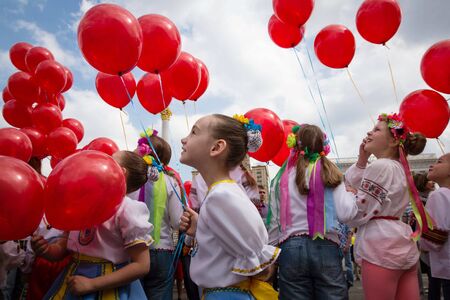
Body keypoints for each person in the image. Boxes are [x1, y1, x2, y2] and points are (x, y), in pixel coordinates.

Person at [179, 114, 280, 299]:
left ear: (217, 147)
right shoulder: (222, 192)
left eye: (194, 132)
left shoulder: (221, 196)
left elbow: (253, 252)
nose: (183, 139)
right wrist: (200, 226)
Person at [31, 150, 153, 299]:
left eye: (109, 160)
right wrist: (47, 250)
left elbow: (142, 265)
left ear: (121, 172)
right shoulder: (83, 203)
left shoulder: (128, 209)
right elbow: (62, 248)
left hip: (107, 289)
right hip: (73, 281)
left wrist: (92, 284)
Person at [344, 113, 431, 300]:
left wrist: (348, 197)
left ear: (393, 142)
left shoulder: (381, 166)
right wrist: (362, 160)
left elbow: (358, 211)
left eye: (376, 130)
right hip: (402, 242)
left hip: (380, 247)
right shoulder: (399, 167)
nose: (369, 132)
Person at [266, 124, 355, 299]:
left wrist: (271, 253)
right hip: (327, 244)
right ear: (323, 145)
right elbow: (346, 214)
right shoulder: (330, 173)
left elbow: (274, 221)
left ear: (295, 145)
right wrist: (352, 197)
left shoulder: (281, 178)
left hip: (290, 247)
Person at [131, 130, 185, 300]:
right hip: (162, 250)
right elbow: (178, 222)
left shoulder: (129, 181)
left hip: (132, 250)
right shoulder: (171, 181)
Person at [420, 153, 450, 300]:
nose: (432, 165)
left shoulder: (438, 195)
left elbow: (436, 236)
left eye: (439, 162)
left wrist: (421, 244)